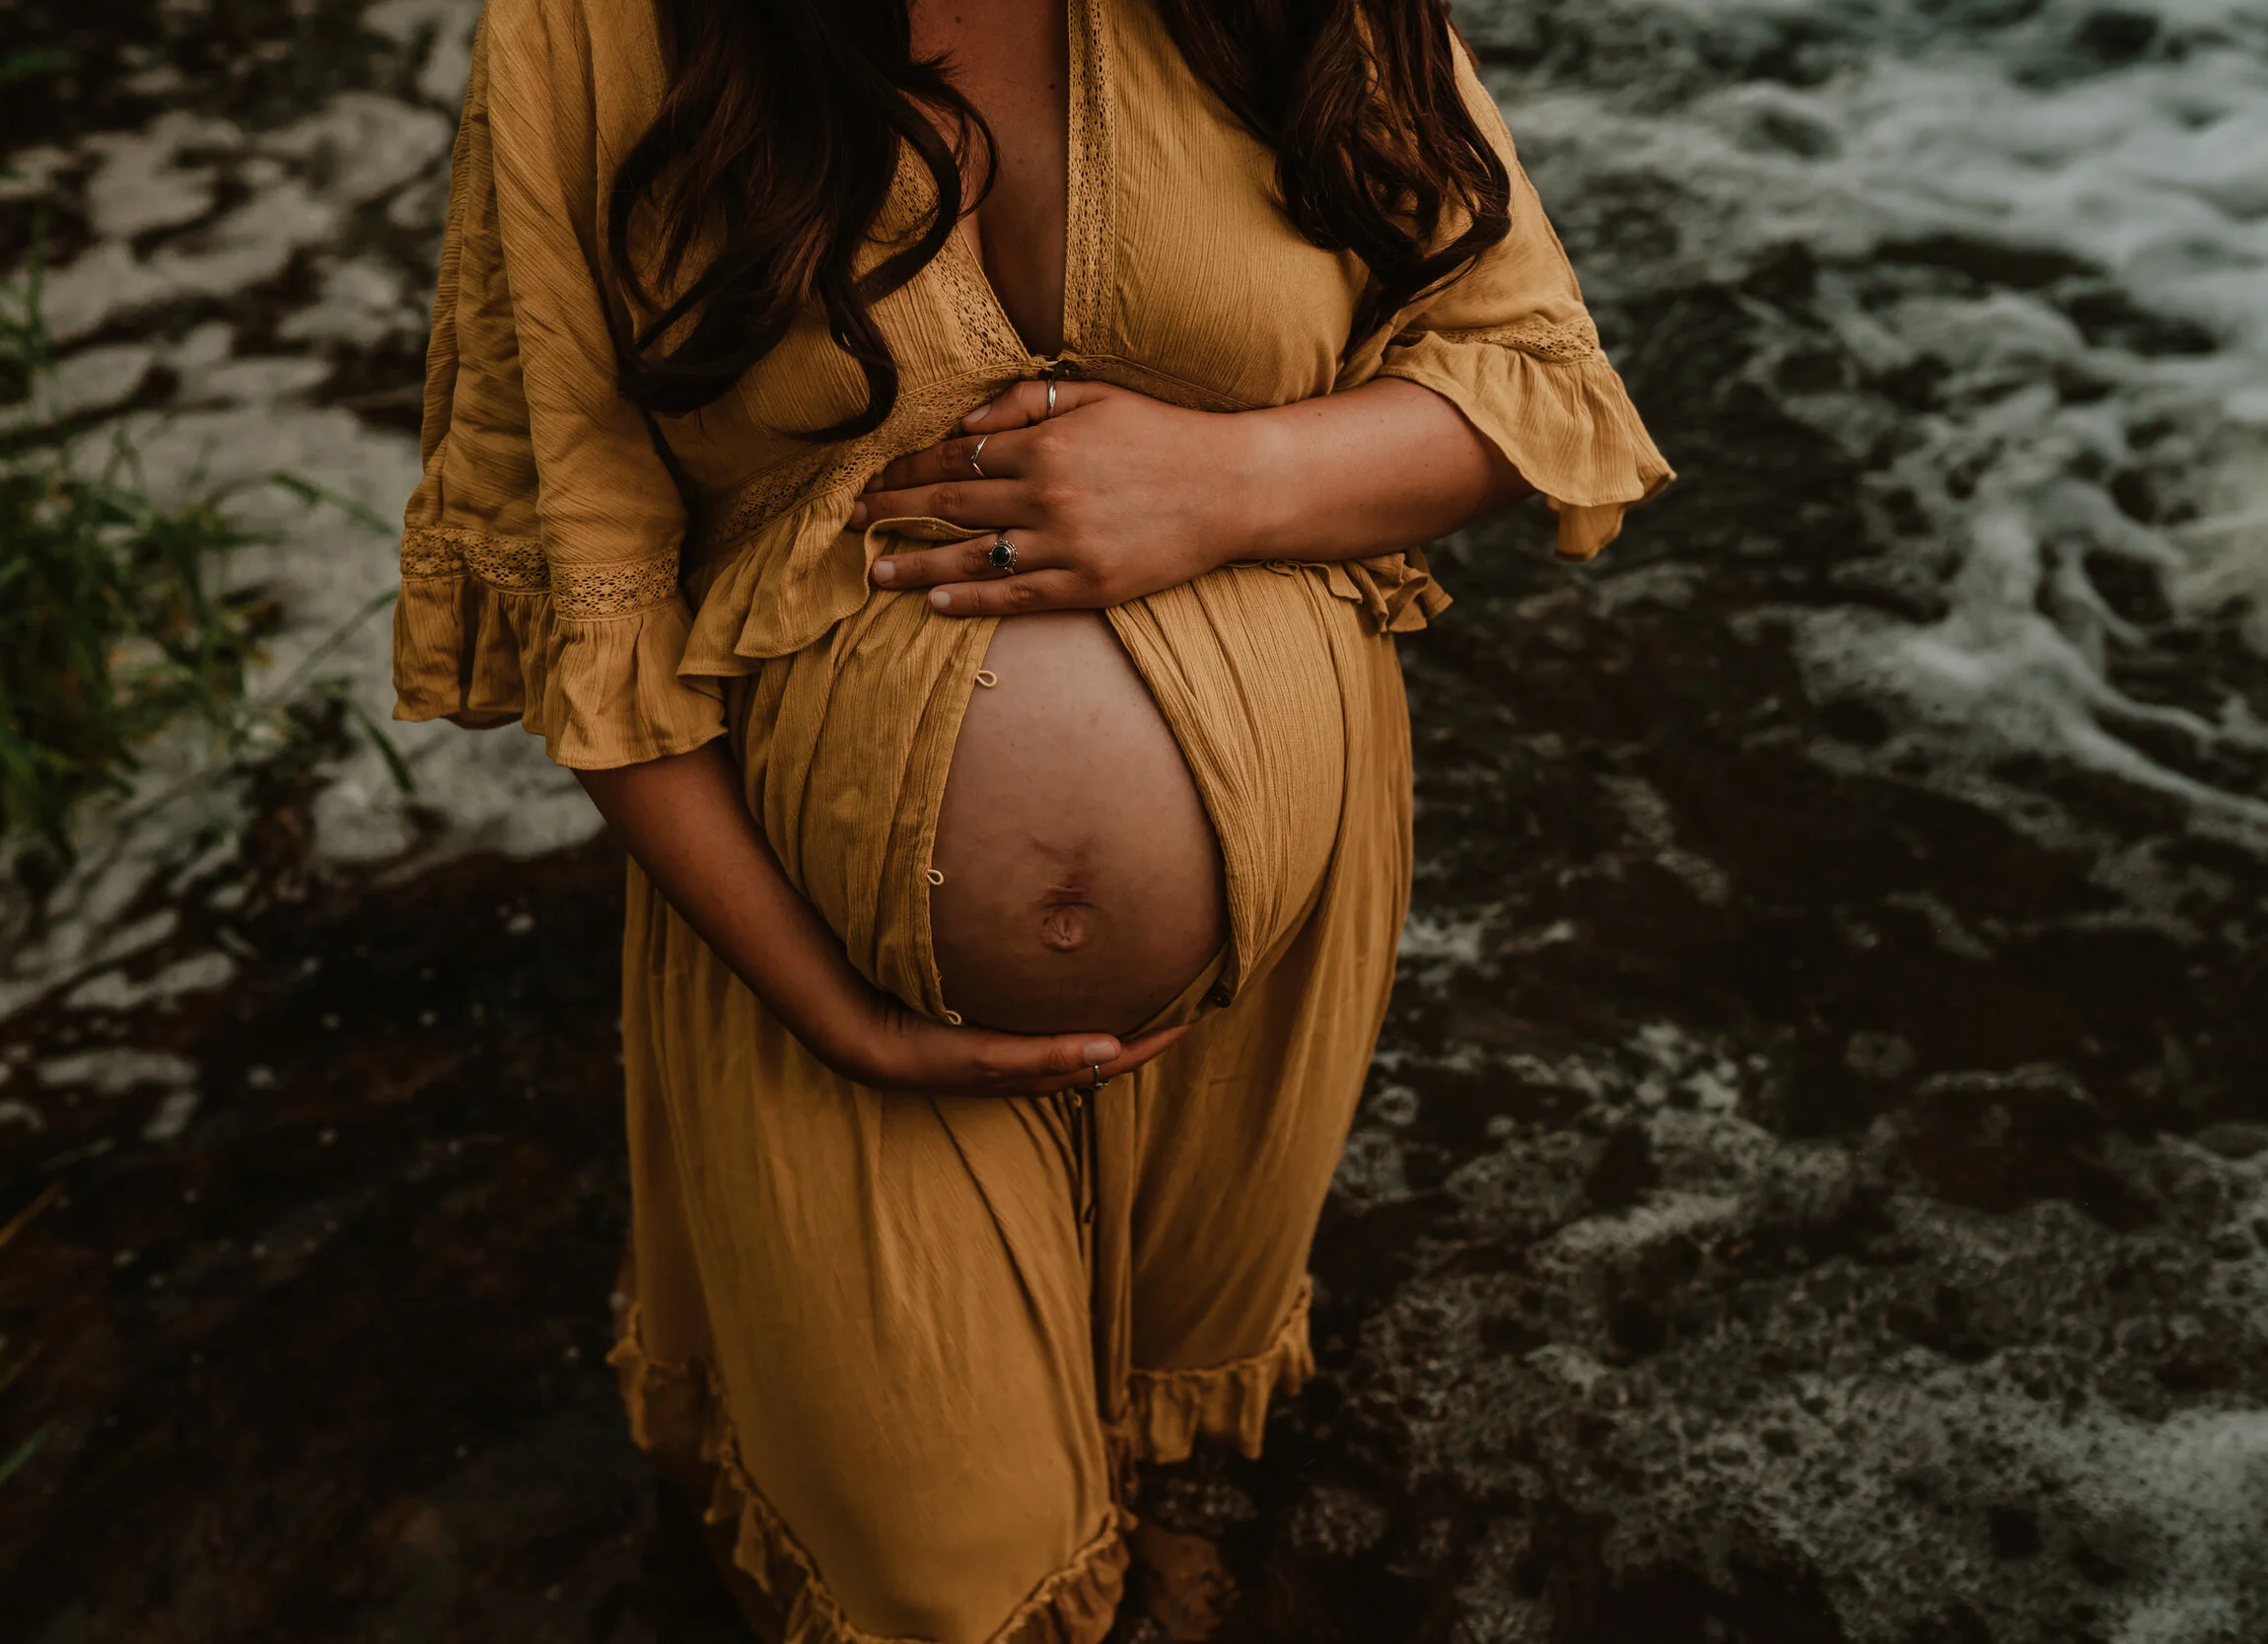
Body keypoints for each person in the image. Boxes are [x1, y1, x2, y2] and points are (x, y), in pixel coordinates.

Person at [391, 0, 1670, 1635]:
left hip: (1259, 983)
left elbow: (1525, 371)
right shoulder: (594, 27)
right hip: (821, 973)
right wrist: (834, 1010)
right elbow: (591, 584)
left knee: (1172, 1483)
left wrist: (1231, 484)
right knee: (947, 1588)